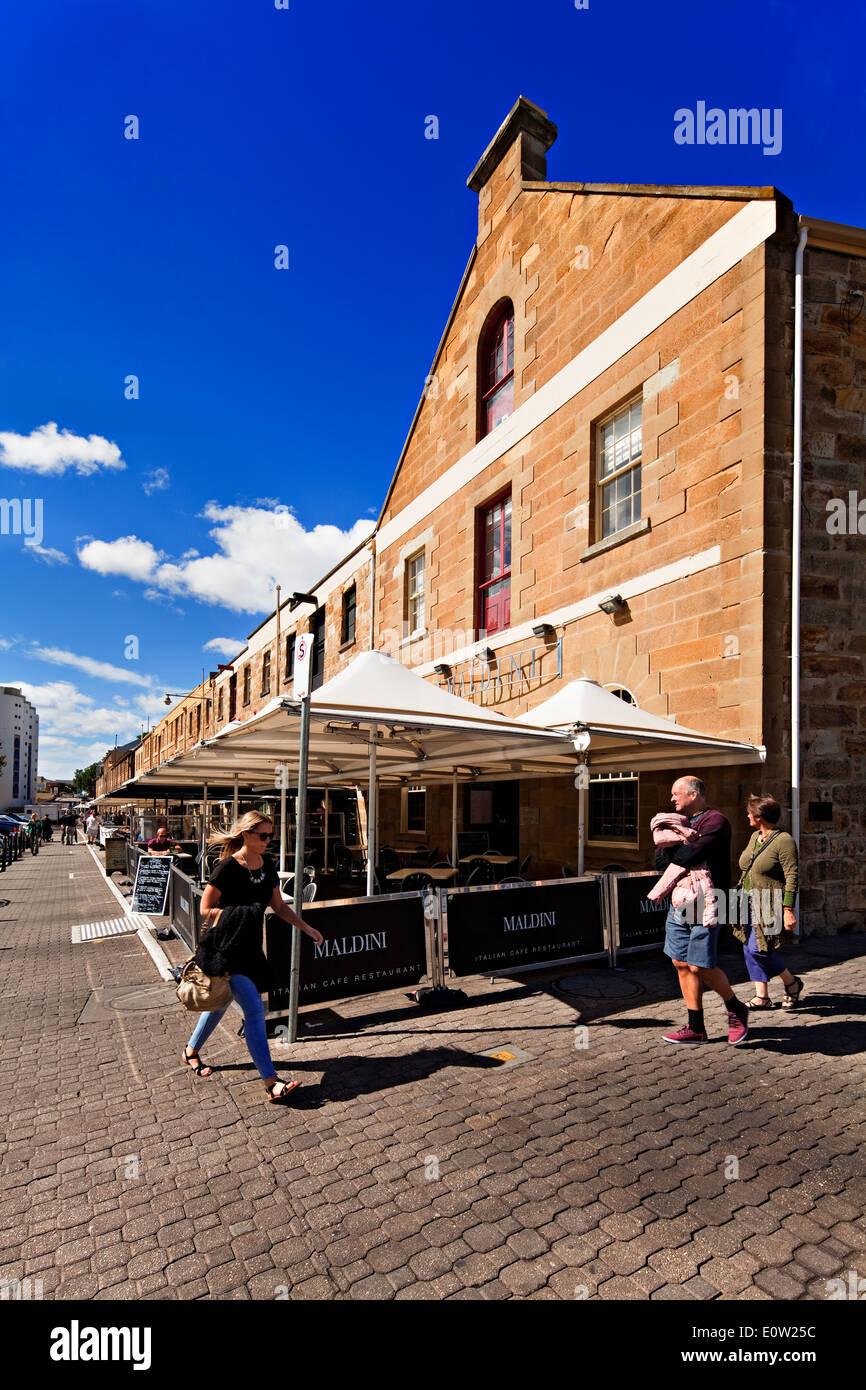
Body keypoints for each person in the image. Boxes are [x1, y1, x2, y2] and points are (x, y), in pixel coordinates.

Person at [182, 812, 325, 1103]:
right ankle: (271, 1082)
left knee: (220, 1004)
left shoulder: (268, 867)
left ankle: (190, 1051)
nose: (268, 840)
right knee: (255, 1012)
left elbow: (279, 907)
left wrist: (307, 927)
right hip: (224, 948)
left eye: (271, 835)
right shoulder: (227, 868)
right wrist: (239, 914)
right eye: (263, 835)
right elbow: (205, 908)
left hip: (249, 949)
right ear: (246, 834)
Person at [656, 775, 750, 1045]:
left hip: (710, 901)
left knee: (700, 965)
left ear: (693, 794)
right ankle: (696, 1027)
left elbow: (690, 856)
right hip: (680, 901)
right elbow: (660, 860)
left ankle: (736, 1008)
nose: (672, 799)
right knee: (680, 963)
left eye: (677, 793)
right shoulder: (679, 825)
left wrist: (675, 848)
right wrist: (676, 848)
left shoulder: (715, 821)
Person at [733, 794, 802, 1009]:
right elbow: (746, 864)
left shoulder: (784, 841)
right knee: (748, 946)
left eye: (750, 813)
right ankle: (762, 996)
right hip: (746, 900)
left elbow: (792, 875)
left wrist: (788, 909)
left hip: (768, 902)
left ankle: (792, 983)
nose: (747, 815)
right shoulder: (755, 837)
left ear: (759, 816)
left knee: (758, 949)